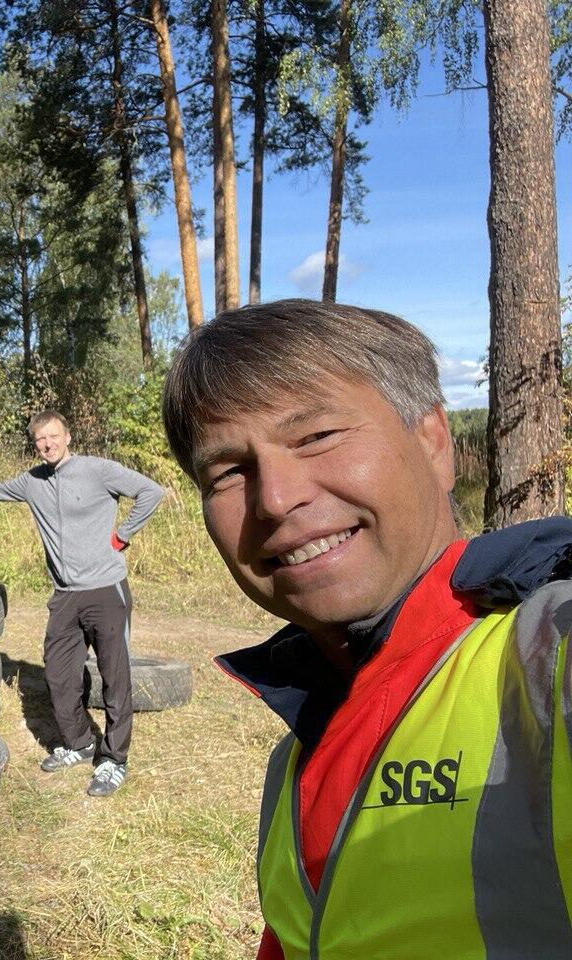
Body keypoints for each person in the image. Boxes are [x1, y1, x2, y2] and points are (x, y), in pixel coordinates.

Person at [161, 299, 572, 958]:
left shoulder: (544, 659)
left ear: (436, 442)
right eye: (229, 472)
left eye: (316, 436)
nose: (273, 497)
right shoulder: (296, 756)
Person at [0, 411, 166, 797]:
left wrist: (123, 534)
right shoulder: (32, 481)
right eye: (40, 439)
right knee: (57, 675)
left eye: (54, 436)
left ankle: (114, 760)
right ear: (35, 444)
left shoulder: (98, 470)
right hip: (65, 595)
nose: (48, 444)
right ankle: (81, 742)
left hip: (106, 590)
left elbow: (152, 491)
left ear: (67, 437)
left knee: (115, 678)